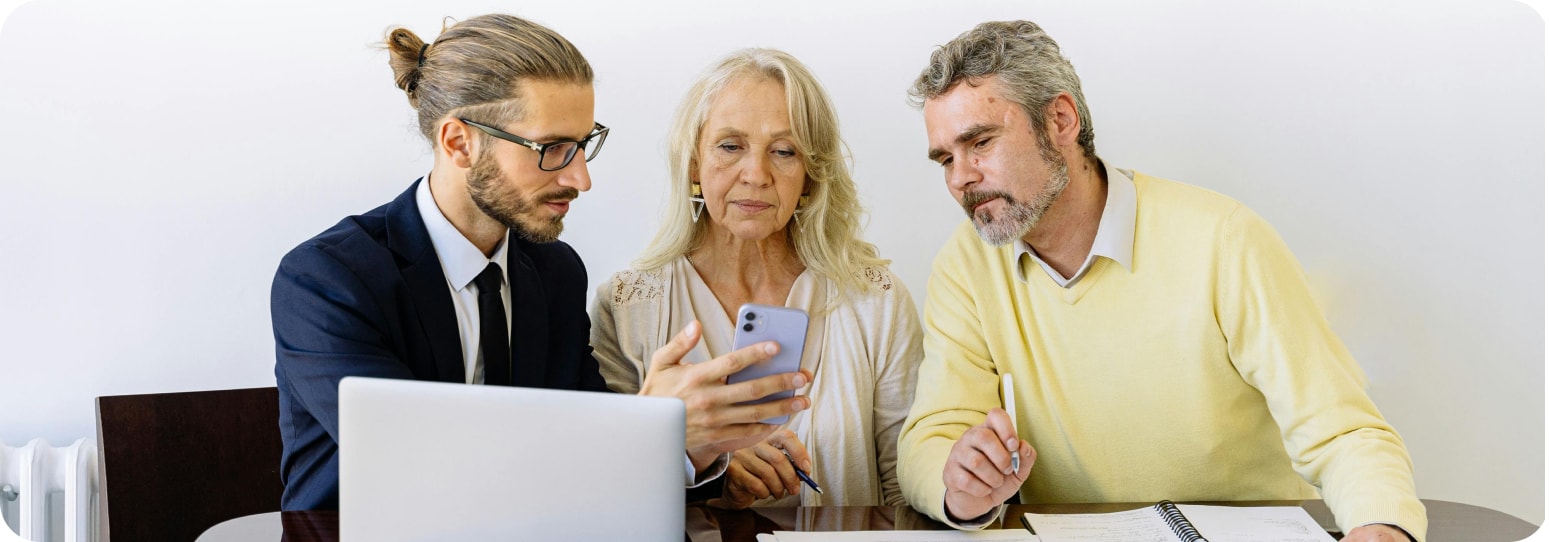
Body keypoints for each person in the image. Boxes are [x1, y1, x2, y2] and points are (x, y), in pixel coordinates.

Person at [896, 20, 1427, 542]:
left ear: (1060, 120)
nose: (960, 178)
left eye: (980, 142)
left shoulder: (1224, 241)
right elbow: (933, 436)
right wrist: (958, 483)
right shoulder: (965, 266)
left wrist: (1380, 527)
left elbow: (1344, 431)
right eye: (945, 158)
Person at [269, 14, 811, 511]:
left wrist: (696, 443)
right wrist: (651, 425)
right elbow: (425, 472)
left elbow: (597, 473)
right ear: (459, 143)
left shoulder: (554, 274)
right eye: (552, 148)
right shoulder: (327, 281)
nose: (581, 178)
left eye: (582, 144)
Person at [590, 48, 922, 508]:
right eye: (730, 146)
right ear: (693, 163)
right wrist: (701, 457)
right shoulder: (628, 306)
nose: (756, 174)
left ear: (809, 176)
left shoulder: (874, 301)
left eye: (784, 151)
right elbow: (607, 492)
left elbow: (905, 487)